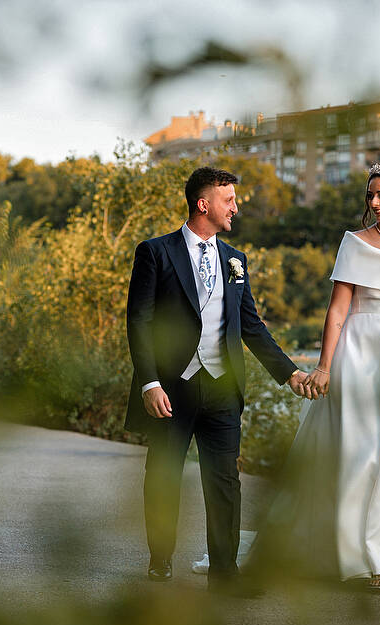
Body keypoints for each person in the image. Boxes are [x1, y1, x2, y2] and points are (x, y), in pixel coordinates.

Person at [253, 162, 380, 590]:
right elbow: (338, 310)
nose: (376, 203)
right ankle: (359, 561)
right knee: (362, 451)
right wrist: (325, 366)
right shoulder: (355, 243)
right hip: (360, 350)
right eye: (370, 196)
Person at [125, 166, 310, 593]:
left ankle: (225, 573)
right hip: (172, 387)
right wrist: (149, 382)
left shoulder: (235, 260)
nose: (236, 207)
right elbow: (139, 321)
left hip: (223, 386)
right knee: (164, 475)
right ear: (203, 204)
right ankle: (160, 558)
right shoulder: (155, 252)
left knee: (225, 480)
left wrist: (291, 373)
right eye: (229, 200)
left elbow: (251, 326)